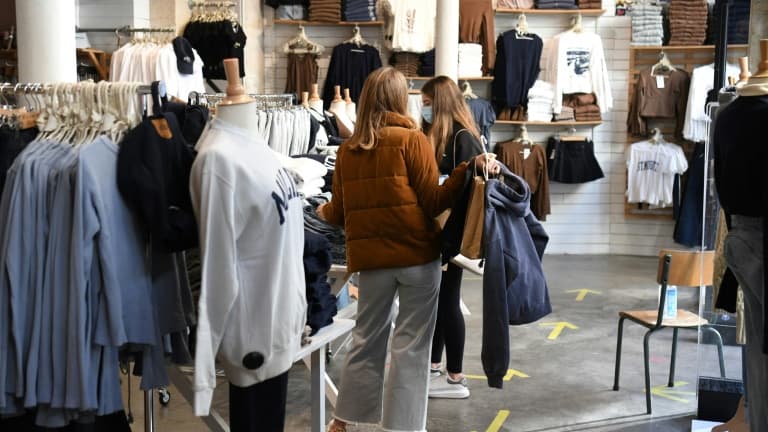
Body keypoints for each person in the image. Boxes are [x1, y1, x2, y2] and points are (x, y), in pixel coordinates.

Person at [320, 67, 498, 432]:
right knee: (411, 347)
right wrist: (466, 169)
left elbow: (337, 213)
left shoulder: (348, 151)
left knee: (366, 339)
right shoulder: (412, 140)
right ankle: (403, 428)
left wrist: (318, 210)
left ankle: (343, 420)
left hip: (371, 263)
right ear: (402, 99)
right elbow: (433, 202)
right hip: (417, 257)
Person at [421, 76, 485, 399]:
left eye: (429, 103)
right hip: (438, 230)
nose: (424, 108)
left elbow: (470, 192)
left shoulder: (464, 138)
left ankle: (456, 376)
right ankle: (434, 366)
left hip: (454, 232)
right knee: (441, 301)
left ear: (441, 103)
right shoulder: (438, 134)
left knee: (448, 300)